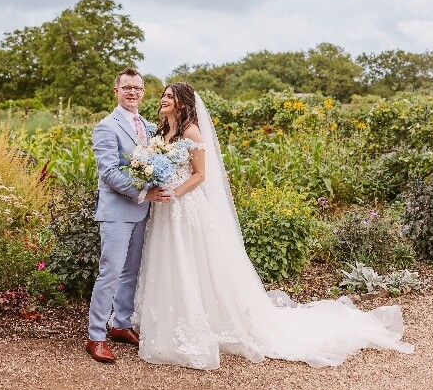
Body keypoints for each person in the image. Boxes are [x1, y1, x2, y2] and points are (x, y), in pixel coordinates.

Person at [132, 82, 414, 370]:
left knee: (188, 263)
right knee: (167, 262)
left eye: (170, 96)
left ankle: (197, 325)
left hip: (185, 208)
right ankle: (168, 321)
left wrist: (175, 193)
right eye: (164, 95)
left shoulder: (191, 132)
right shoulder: (160, 132)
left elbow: (201, 174)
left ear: (182, 103)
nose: (164, 99)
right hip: (163, 208)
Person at [86, 68, 172, 363]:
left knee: (131, 271)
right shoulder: (105, 127)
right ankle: (96, 336)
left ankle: (120, 324)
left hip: (142, 211)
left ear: (143, 92)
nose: (132, 92)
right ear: (117, 91)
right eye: (126, 88)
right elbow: (109, 173)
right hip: (116, 212)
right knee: (110, 271)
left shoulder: (149, 127)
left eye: (137, 87)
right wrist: (144, 194)